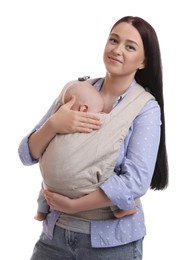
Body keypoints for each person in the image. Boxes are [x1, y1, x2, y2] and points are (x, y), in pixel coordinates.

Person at [18, 16, 169, 260]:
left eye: (130, 47)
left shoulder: (144, 108)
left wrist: (74, 205)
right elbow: (26, 154)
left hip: (111, 243)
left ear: (144, 61)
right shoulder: (77, 91)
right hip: (55, 235)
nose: (117, 50)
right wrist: (55, 124)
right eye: (113, 40)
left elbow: (136, 181)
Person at [34, 80, 105, 221]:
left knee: (46, 186)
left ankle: (41, 211)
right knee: (107, 176)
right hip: (77, 184)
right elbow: (25, 153)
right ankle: (121, 208)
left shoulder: (61, 116)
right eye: (98, 112)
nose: (100, 115)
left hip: (49, 180)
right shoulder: (70, 121)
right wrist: (52, 124)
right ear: (84, 110)